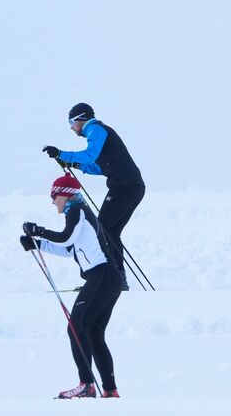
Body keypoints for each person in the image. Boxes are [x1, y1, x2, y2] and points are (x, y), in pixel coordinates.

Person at [21, 174, 122, 399]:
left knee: (75, 328)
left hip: (101, 275)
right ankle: (109, 390)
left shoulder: (77, 211)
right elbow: (68, 249)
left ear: (65, 195)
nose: (52, 201)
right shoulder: (78, 213)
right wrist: (36, 244)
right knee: (93, 333)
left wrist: (38, 230)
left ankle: (86, 385)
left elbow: (65, 238)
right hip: (107, 278)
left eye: (54, 196)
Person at [43, 103, 144, 288]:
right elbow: (99, 167)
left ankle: (111, 281)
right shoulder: (99, 133)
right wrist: (73, 164)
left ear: (80, 119)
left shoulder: (96, 129)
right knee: (110, 232)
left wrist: (62, 153)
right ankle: (117, 280)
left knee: (103, 229)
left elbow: (89, 155)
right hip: (131, 187)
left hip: (125, 187)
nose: (71, 128)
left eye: (71, 123)